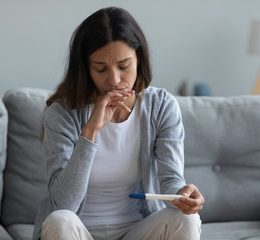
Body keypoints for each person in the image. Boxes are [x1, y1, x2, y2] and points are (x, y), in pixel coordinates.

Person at [33, 6, 204, 240]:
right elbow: (63, 203)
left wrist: (183, 196)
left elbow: (170, 180)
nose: (114, 80)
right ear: (86, 69)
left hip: (137, 229)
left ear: (139, 59)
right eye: (101, 69)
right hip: (78, 231)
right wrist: (90, 131)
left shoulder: (161, 106)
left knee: (187, 219)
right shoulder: (62, 113)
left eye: (123, 66)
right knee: (59, 220)